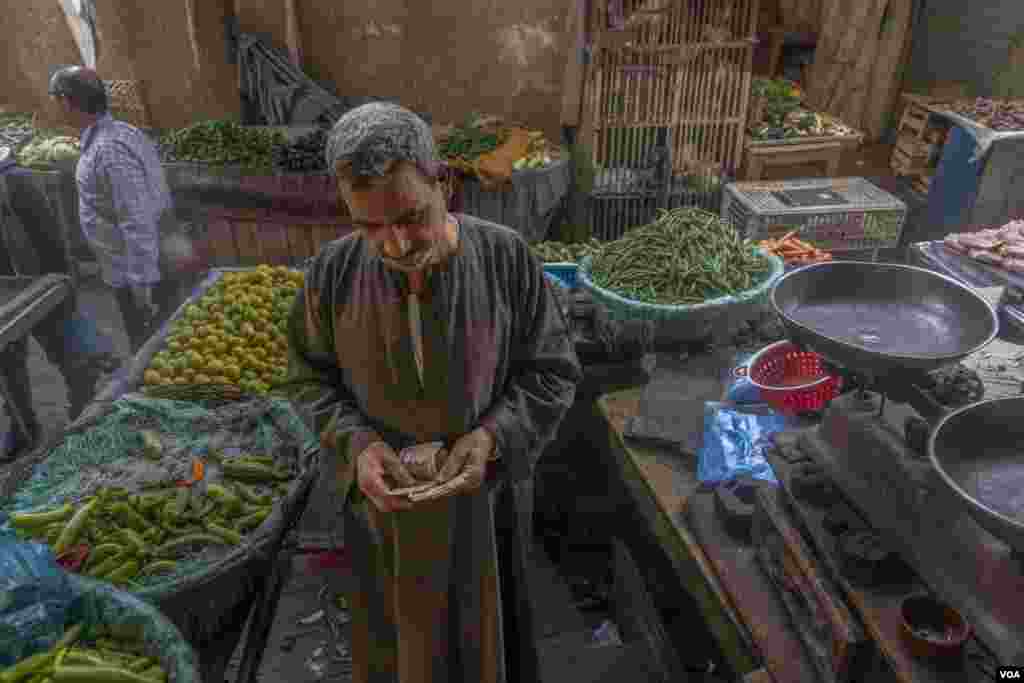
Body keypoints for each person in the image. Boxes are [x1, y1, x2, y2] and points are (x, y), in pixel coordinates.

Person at [286, 102, 582, 683]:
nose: (395, 244)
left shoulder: (505, 259)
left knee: (486, 647)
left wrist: (493, 438)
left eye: (411, 216)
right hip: (384, 523)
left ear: (443, 181)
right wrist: (359, 448)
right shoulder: (330, 275)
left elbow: (552, 372)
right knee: (399, 652)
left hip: (482, 517)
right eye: (370, 226)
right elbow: (305, 381)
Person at [47, 65, 182, 352]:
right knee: (158, 349)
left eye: (55, 100)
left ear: (66, 101)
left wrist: (142, 286)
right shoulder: (117, 133)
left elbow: (137, 219)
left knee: (154, 351)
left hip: (142, 273)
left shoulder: (109, 150)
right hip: (139, 267)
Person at [0, 169, 116, 457]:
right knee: (8, 364)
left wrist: (63, 291)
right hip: (5, 290)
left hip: (41, 279)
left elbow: (54, 243)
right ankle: (22, 426)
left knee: (71, 355)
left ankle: (83, 412)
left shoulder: (20, 185)